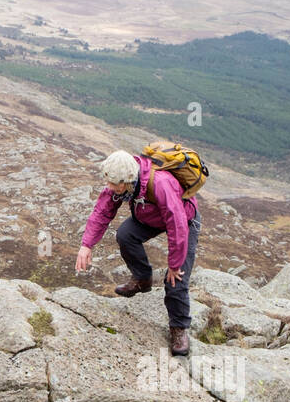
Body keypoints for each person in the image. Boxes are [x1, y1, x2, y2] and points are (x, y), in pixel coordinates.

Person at [75, 150, 201, 355]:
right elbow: (102, 211)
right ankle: (143, 280)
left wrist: (174, 264)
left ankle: (179, 328)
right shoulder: (120, 183)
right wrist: (86, 245)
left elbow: (177, 225)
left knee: (176, 280)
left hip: (184, 221)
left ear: (127, 181)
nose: (109, 188)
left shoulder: (160, 184)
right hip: (150, 217)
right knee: (125, 235)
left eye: (113, 184)